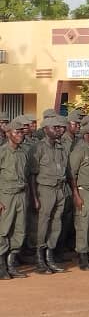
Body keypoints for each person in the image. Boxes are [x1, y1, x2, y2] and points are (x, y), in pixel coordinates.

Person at [28, 114, 69, 274]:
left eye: (60, 127)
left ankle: (49, 256)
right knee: (42, 224)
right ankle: (40, 259)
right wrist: (35, 197)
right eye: (55, 127)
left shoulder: (60, 148)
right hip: (44, 190)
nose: (59, 130)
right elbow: (32, 174)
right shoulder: (38, 148)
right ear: (46, 129)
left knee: (56, 223)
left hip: (59, 189)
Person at [0, 116, 33, 279]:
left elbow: (27, 176)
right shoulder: (3, 152)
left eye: (22, 132)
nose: (21, 134)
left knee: (19, 229)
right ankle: (1, 266)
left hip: (21, 194)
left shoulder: (23, 153)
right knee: (3, 230)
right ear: (8, 134)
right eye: (17, 132)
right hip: (6, 196)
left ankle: (11, 264)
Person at [69, 120, 89, 270]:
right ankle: (83, 256)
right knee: (83, 225)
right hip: (84, 192)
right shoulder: (79, 151)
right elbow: (72, 175)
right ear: (86, 135)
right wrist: (76, 195)